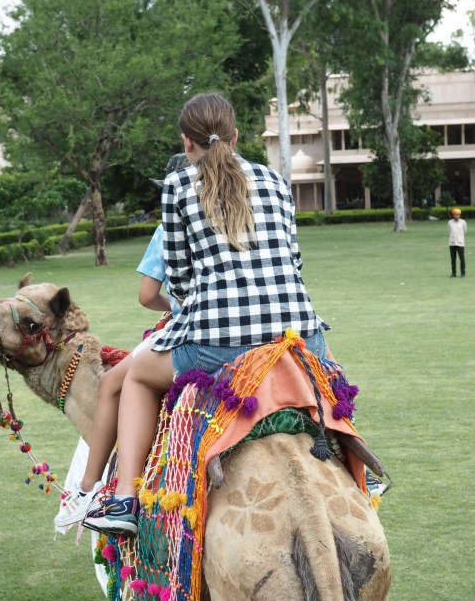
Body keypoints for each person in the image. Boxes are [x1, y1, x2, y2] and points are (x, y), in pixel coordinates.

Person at [84, 92, 329, 537]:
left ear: (187, 142)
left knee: (136, 377)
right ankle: (358, 467)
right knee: (328, 374)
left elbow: (178, 279)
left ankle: (123, 501)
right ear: (235, 136)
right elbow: (294, 262)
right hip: (299, 335)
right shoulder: (275, 180)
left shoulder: (177, 186)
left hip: (218, 345)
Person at [54, 170, 186, 529]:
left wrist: (174, 307)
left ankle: (96, 489)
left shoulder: (170, 228)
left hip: (197, 332)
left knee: (115, 382)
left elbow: (147, 296)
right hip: (278, 327)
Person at [448, 207, 467, 277]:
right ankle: (454, 273)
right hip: (452, 243)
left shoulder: (463, 222)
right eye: (455, 214)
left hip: (460, 243)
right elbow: (449, 231)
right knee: (453, 259)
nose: (456, 216)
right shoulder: (450, 222)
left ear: (460, 215)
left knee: (462, 259)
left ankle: (463, 273)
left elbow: (465, 231)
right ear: (453, 215)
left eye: (458, 214)